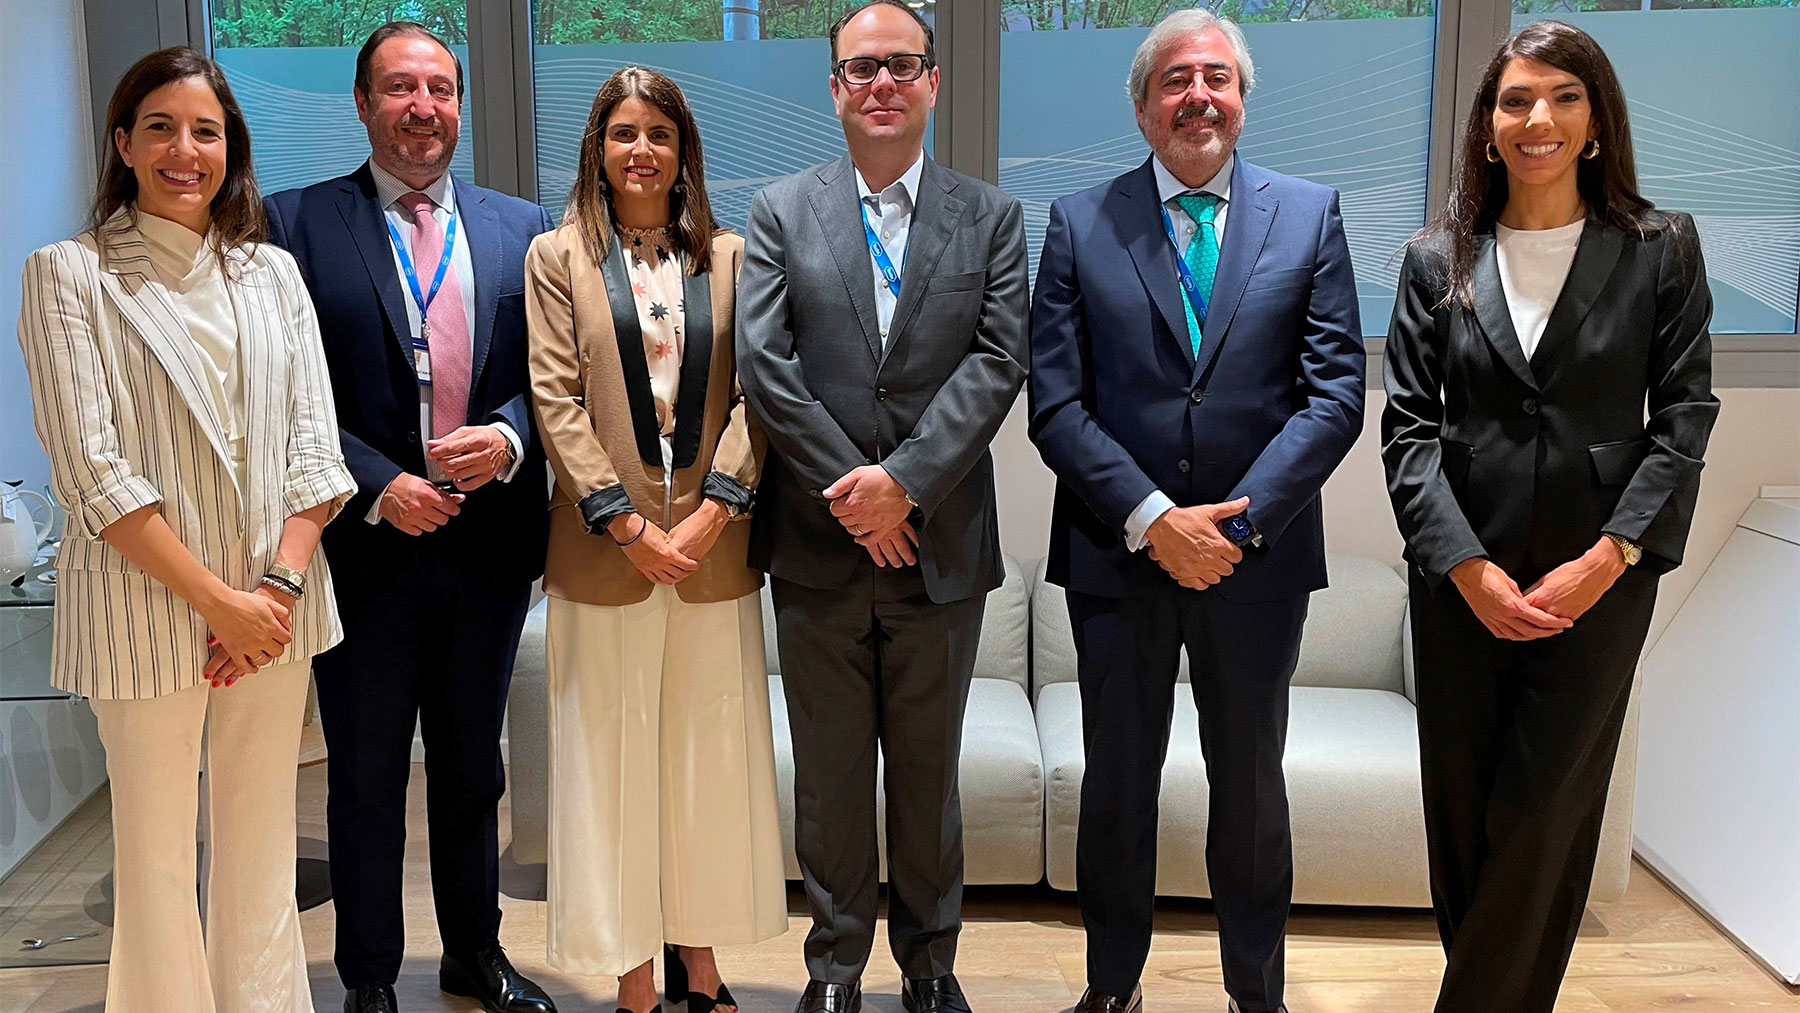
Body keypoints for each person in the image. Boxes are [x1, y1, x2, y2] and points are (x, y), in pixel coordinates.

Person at [1027, 9, 1364, 1012]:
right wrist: (1151, 516)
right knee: (1118, 790)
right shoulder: (1079, 222)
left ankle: (1256, 993)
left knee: (1251, 790)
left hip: (1255, 565)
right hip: (1116, 556)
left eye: (1217, 77)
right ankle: (1111, 985)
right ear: (1142, 107)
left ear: (1243, 99)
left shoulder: (1309, 216)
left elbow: (1334, 393)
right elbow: (1056, 402)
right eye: (1175, 81)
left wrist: (1234, 523)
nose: (1197, 97)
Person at [1381, 21, 1717, 1013]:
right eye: (1516, 100)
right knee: (1466, 817)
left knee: (1544, 811)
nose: (1539, 119)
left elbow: (1685, 417)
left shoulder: (1659, 250)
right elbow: (1406, 434)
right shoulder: (1433, 257)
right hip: (1460, 583)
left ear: (1599, 123)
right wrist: (1466, 568)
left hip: (1599, 582)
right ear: (1487, 127)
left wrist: (1609, 557)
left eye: (1565, 98)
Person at [15, 46, 355, 1012]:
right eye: (160, 127)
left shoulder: (273, 275)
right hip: (148, 605)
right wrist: (220, 603)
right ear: (122, 143)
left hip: (275, 609)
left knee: (259, 851)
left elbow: (315, 452)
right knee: (157, 859)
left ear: (229, 149)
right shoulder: (69, 275)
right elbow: (93, 470)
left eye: (205, 131)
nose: (184, 150)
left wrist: (275, 592)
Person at [735, 2, 1029, 1011]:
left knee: (924, 774)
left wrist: (905, 480)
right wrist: (858, 496)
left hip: (941, 545)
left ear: (934, 82)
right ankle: (835, 967)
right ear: (834, 88)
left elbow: (998, 361)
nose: (882, 83)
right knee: (827, 775)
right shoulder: (779, 210)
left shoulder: (989, 217)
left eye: (903, 64)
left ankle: (931, 964)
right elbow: (764, 364)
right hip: (817, 547)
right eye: (861, 68)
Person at [261, 21, 556, 1013]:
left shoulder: (524, 226)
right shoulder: (293, 224)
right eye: (399, 88)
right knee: (367, 775)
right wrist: (380, 480)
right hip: (364, 547)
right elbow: (284, 391)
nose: (422, 106)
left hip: (489, 548)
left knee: (474, 768)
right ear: (362, 103)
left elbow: (555, 378)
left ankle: (477, 954)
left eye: (439, 89)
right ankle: (371, 975)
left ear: (460, 106)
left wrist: (511, 439)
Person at [524, 66, 786, 1013]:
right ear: (598, 147)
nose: (642, 151)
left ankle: (702, 967)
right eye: (624, 133)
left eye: (660, 135)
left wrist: (715, 510)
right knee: (610, 765)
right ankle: (635, 973)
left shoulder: (733, 254)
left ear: (685, 153)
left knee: (705, 766)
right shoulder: (557, 258)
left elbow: (762, 395)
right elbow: (554, 400)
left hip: (714, 553)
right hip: (606, 554)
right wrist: (628, 523)